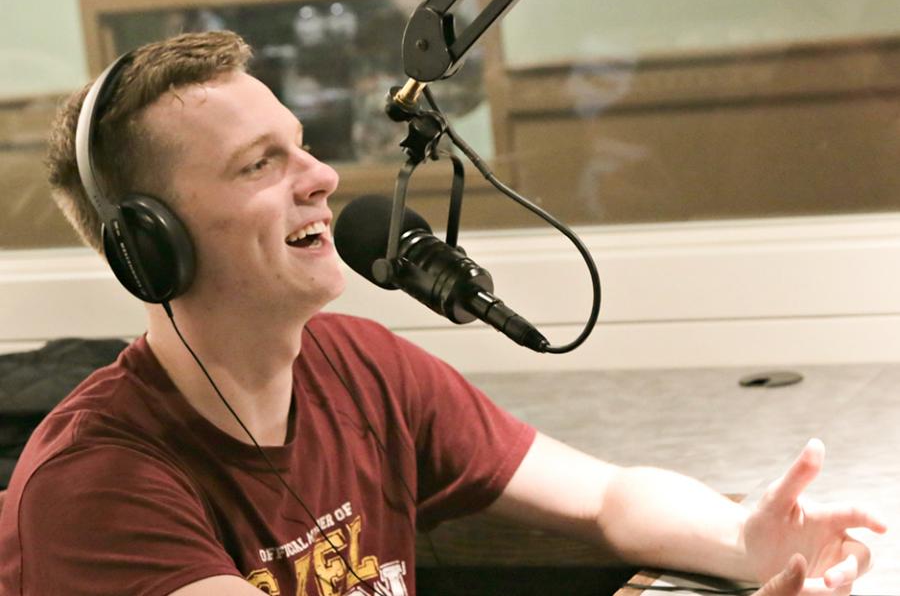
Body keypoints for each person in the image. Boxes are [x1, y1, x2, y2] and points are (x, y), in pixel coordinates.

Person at [0, 30, 886, 596]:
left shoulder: (362, 367)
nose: (321, 178)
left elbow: (607, 495)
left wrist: (742, 537)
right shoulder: (97, 488)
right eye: (259, 165)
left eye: (302, 147)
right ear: (152, 245)